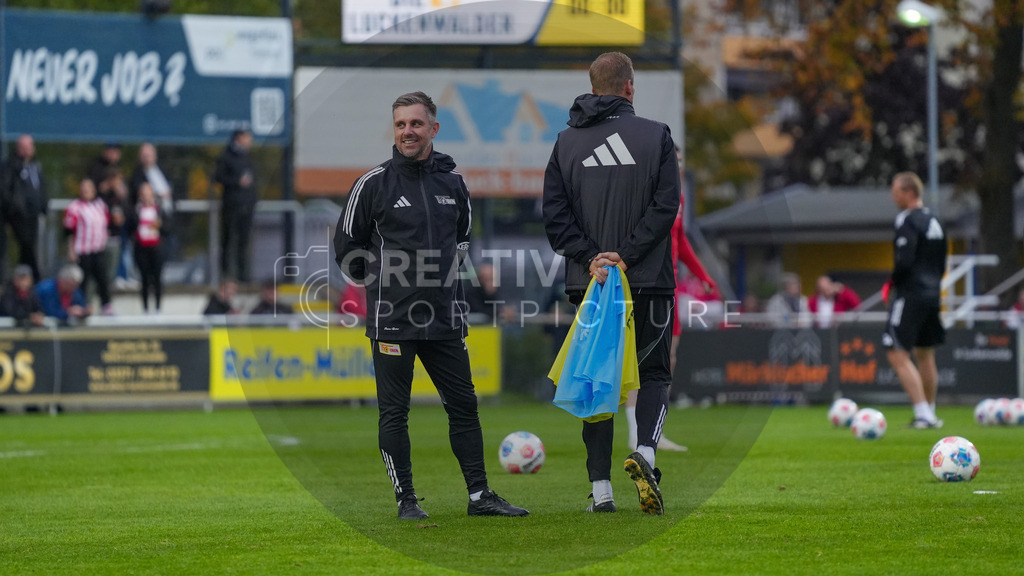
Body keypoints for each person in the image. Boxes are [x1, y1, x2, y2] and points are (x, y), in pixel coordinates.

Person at [334, 91, 528, 520]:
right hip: (392, 319)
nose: (407, 131)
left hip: (444, 318)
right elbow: (346, 249)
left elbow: (462, 241)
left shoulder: (454, 184)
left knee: (464, 407)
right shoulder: (372, 184)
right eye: (401, 124)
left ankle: (479, 496)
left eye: (416, 124)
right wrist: (386, 284)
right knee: (394, 413)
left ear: (434, 128)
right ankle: (406, 500)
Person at [543, 52, 679, 515]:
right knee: (654, 373)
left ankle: (601, 493)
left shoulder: (565, 142)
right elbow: (666, 206)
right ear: (629, 87)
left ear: (592, 87)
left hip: (592, 283)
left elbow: (554, 216)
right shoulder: (656, 135)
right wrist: (627, 254)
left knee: (596, 380)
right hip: (647, 278)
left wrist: (592, 258)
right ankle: (646, 454)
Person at [883, 172, 947, 429]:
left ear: (909, 192)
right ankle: (930, 412)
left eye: (896, 191)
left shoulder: (906, 219)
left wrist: (892, 283)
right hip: (932, 294)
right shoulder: (934, 219)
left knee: (896, 352)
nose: (893, 196)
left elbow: (905, 260)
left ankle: (923, 414)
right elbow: (941, 262)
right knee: (925, 353)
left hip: (910, 294)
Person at [0, 134, 48, 282]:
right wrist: (15, 207)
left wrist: (43, 205)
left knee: (29, 247)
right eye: (24, 147)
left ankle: (25, 279)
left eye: (30, 146)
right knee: (25, 245)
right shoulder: (10, 165)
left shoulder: (35, 165)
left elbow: (41, 188)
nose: (28, 150)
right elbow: (6, 189)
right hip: (17, 214)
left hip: (33, 214)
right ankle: (33, 277)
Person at [87, 142, 133, 289]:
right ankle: (110, 279)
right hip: (103, 223)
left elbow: (125, 200)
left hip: (118, 221)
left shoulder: (120, 168)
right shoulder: (96, 169)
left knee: (122, 249)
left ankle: (123, 275)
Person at [63, 179, 112, 315]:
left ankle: (106, 305)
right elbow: (68, 231)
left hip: (98, 248)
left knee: (102, 278)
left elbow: (107, 223)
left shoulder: (100, 205)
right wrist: (70, 250)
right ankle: (80, 305)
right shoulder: (75, 207)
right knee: (82, 280)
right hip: (82, 250)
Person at [214, 129, 257, 283]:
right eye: (247, 138)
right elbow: (218, 177)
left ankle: (243, 274)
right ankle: (225, 274)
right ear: (239, 138)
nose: (250, 141)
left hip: (247, 205)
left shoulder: (248, 156)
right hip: (231, 205)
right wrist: (237, 182)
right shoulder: (226, 156)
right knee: (228, 240)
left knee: (244, 241)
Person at [125, 183, 169, 314]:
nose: (145, 196)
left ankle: (158, 308)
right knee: (144, 278)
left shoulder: (159, 210)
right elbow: (128, 228)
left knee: (157, 278)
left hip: (156, 248)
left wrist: (160, 225)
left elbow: (168, 229)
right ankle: (145, 309)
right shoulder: (135, 210)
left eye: (148, 193)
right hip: (141, 248)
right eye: (143, 193)